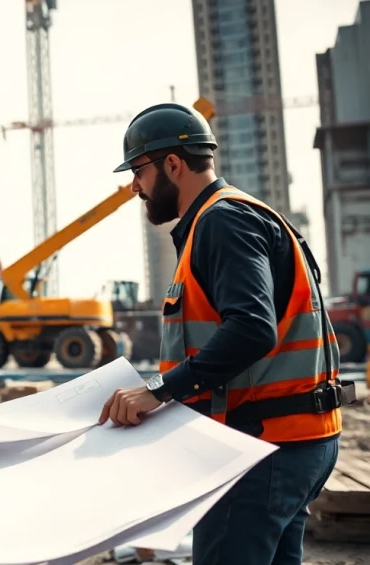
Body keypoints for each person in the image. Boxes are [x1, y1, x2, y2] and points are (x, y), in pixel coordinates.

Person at [98, 102, 357, 565]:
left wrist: (161, 390)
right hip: (293, 441)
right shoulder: (232, 218)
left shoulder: (223, 221)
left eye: (138, 171)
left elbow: (252, 328)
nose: (134, 186)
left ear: (172, 165)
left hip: (261, 448)